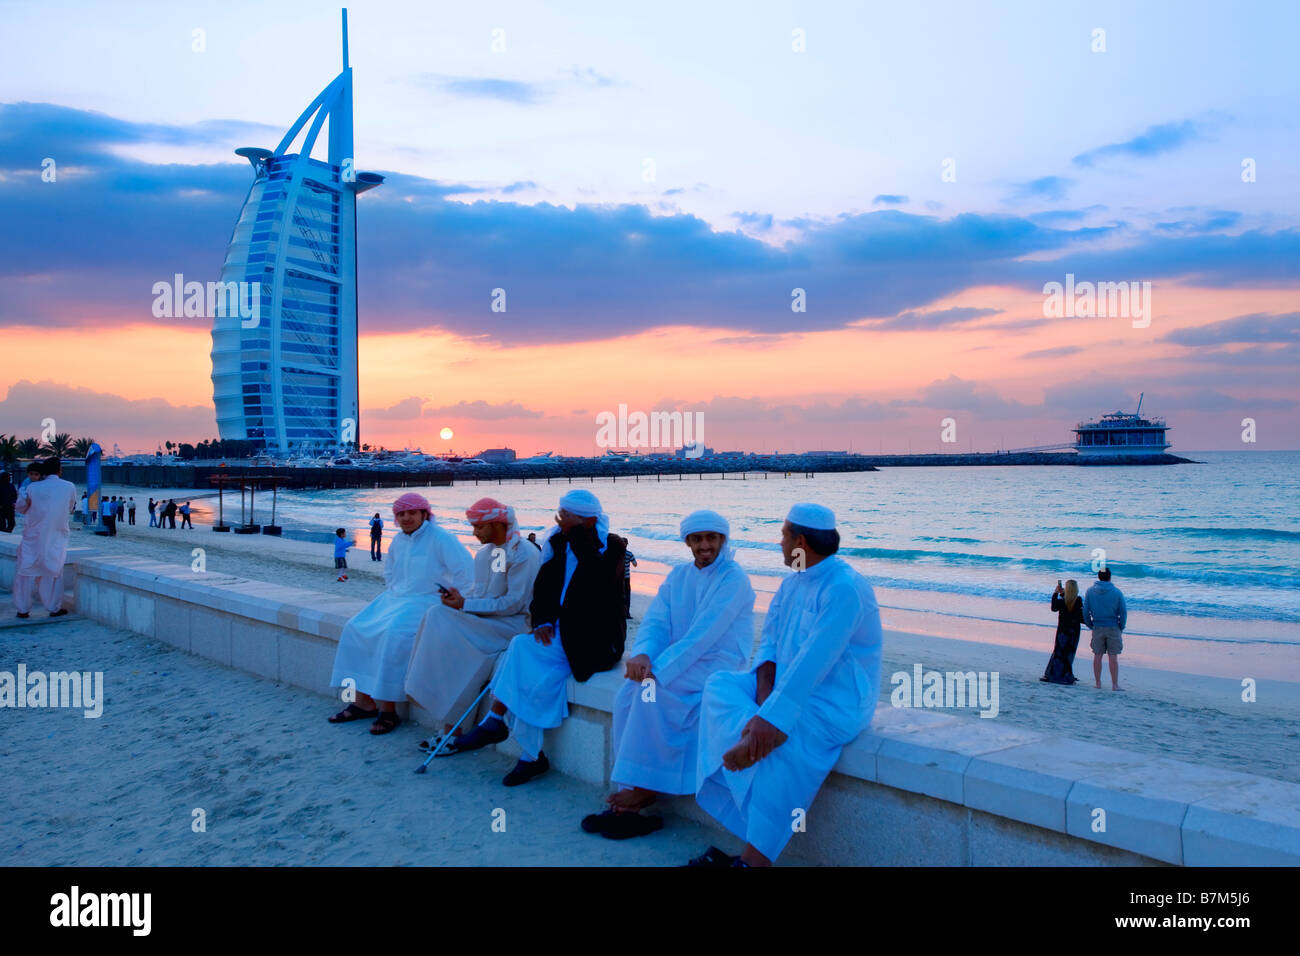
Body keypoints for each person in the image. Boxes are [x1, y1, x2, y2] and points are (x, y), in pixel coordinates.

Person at [687, 502, 883, 867]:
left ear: (801, 541)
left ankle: (754, 860)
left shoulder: (845, 587)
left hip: (835, 699)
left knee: (789, 738)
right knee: (720, 687)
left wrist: (772, 718)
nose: (778, 543)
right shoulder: (792, 581)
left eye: (783, 536)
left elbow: (814, 661)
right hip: (785, 692)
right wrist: (764, 701)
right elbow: (771, 645)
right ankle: (753, 741)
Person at [582, 509, 754, 840]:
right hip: (681, 662)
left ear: (722, 540)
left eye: (712, 538)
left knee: (652, 693)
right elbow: (658, 621)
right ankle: (630, 792)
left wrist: (657, 670)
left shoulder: (734, 578)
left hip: (719, 665)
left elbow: (703, 636)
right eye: (698, 539)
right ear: (688, 542)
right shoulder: (679, 576)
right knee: (628, 695)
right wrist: (643, 654)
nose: (705, 546)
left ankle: (644, 793)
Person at [438, 488, 627, 786]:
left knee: (531, 670)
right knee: (522, 647)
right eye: (561, 514)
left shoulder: (612, 547)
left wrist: (575, 537)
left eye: (567, 517)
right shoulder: (558, 543)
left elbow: (598, 583)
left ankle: (512, 738)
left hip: (595, 640)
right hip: (561, 632)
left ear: (589, 522)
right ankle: (508, 734)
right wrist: (541, 620)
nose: (560, 520)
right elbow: (544, 590)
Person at [328, 492, 474, 735]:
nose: (406, 518)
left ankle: (388, 710)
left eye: (412, 513)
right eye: (401, 514)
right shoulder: (398, 540)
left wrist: (459, 602)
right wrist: (392, 594)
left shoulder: (442, 538)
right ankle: (361, 702)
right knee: (354, 627)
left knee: (392, 636)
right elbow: (390, 573)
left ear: (424, 514)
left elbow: (466, 573)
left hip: (427, 602)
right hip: (395, 598)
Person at [406, 497, 542, 742]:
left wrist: (466, 605)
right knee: (437, 616)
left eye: (479, 527)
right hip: (488, 620)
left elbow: (514, 604)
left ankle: (452, 727)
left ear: (497, 525)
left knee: (442, 623)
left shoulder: (523, 553)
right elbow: (480, 593)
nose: (474, 532)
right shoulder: (485, 554)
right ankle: (439, 709)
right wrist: (460, 599)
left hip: (514, 625)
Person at [13, 458, 78, 618]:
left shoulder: (32, 487)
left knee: (25, 572)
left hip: (32, 536)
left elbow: (20, 508)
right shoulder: (69, 486)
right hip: (56, 535)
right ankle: (53, 607)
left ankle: (22, 609)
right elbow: (70, 508)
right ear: (59, 470)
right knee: (53, 572)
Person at [1084, 568, 1128, 691]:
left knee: (1097, 655)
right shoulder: (1116, 592)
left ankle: (1098, 683)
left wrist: (1090, 624)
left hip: (1097, 626)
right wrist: (1121, 626)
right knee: (1113, 656)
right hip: (1113, 626)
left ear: (1099, 577)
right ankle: (1114, 684)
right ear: (1109, 577)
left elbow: (1085, 611)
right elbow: (1123, 612)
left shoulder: (1090, 591)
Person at [1041, 579, 1083, 684]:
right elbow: (1079, 615)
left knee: (1059, 652)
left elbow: (1054, 607)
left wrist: (1055, 593)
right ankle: (1066, 674)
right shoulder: (1078, 601)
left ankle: (1053, 674)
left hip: (1063, 630)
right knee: (1069, 653)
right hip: (1074, 632)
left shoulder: (1062, 602)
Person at [623, 548, 638, 618]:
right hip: (626, 577)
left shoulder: (616, 553)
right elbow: (635, 564)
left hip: (617, 577)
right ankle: (627, 613)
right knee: (627, 595)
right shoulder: (629, 554)